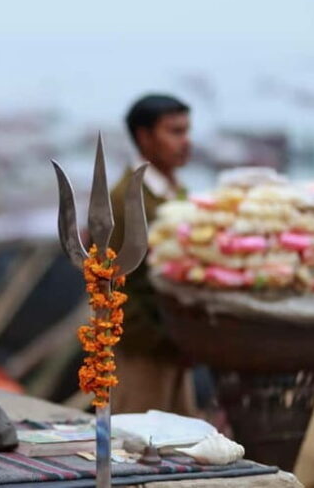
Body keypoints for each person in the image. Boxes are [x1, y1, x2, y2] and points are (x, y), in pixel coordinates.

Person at [109, 93, 196, 415]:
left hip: (175, 345)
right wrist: (163, 340)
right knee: (140, 441)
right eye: (175, 132)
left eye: (187, 131)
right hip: (142, 349)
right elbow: (112, 283)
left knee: (183, 443)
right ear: (144, 136)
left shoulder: (176, 191)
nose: (185, 142)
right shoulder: (127, 199)